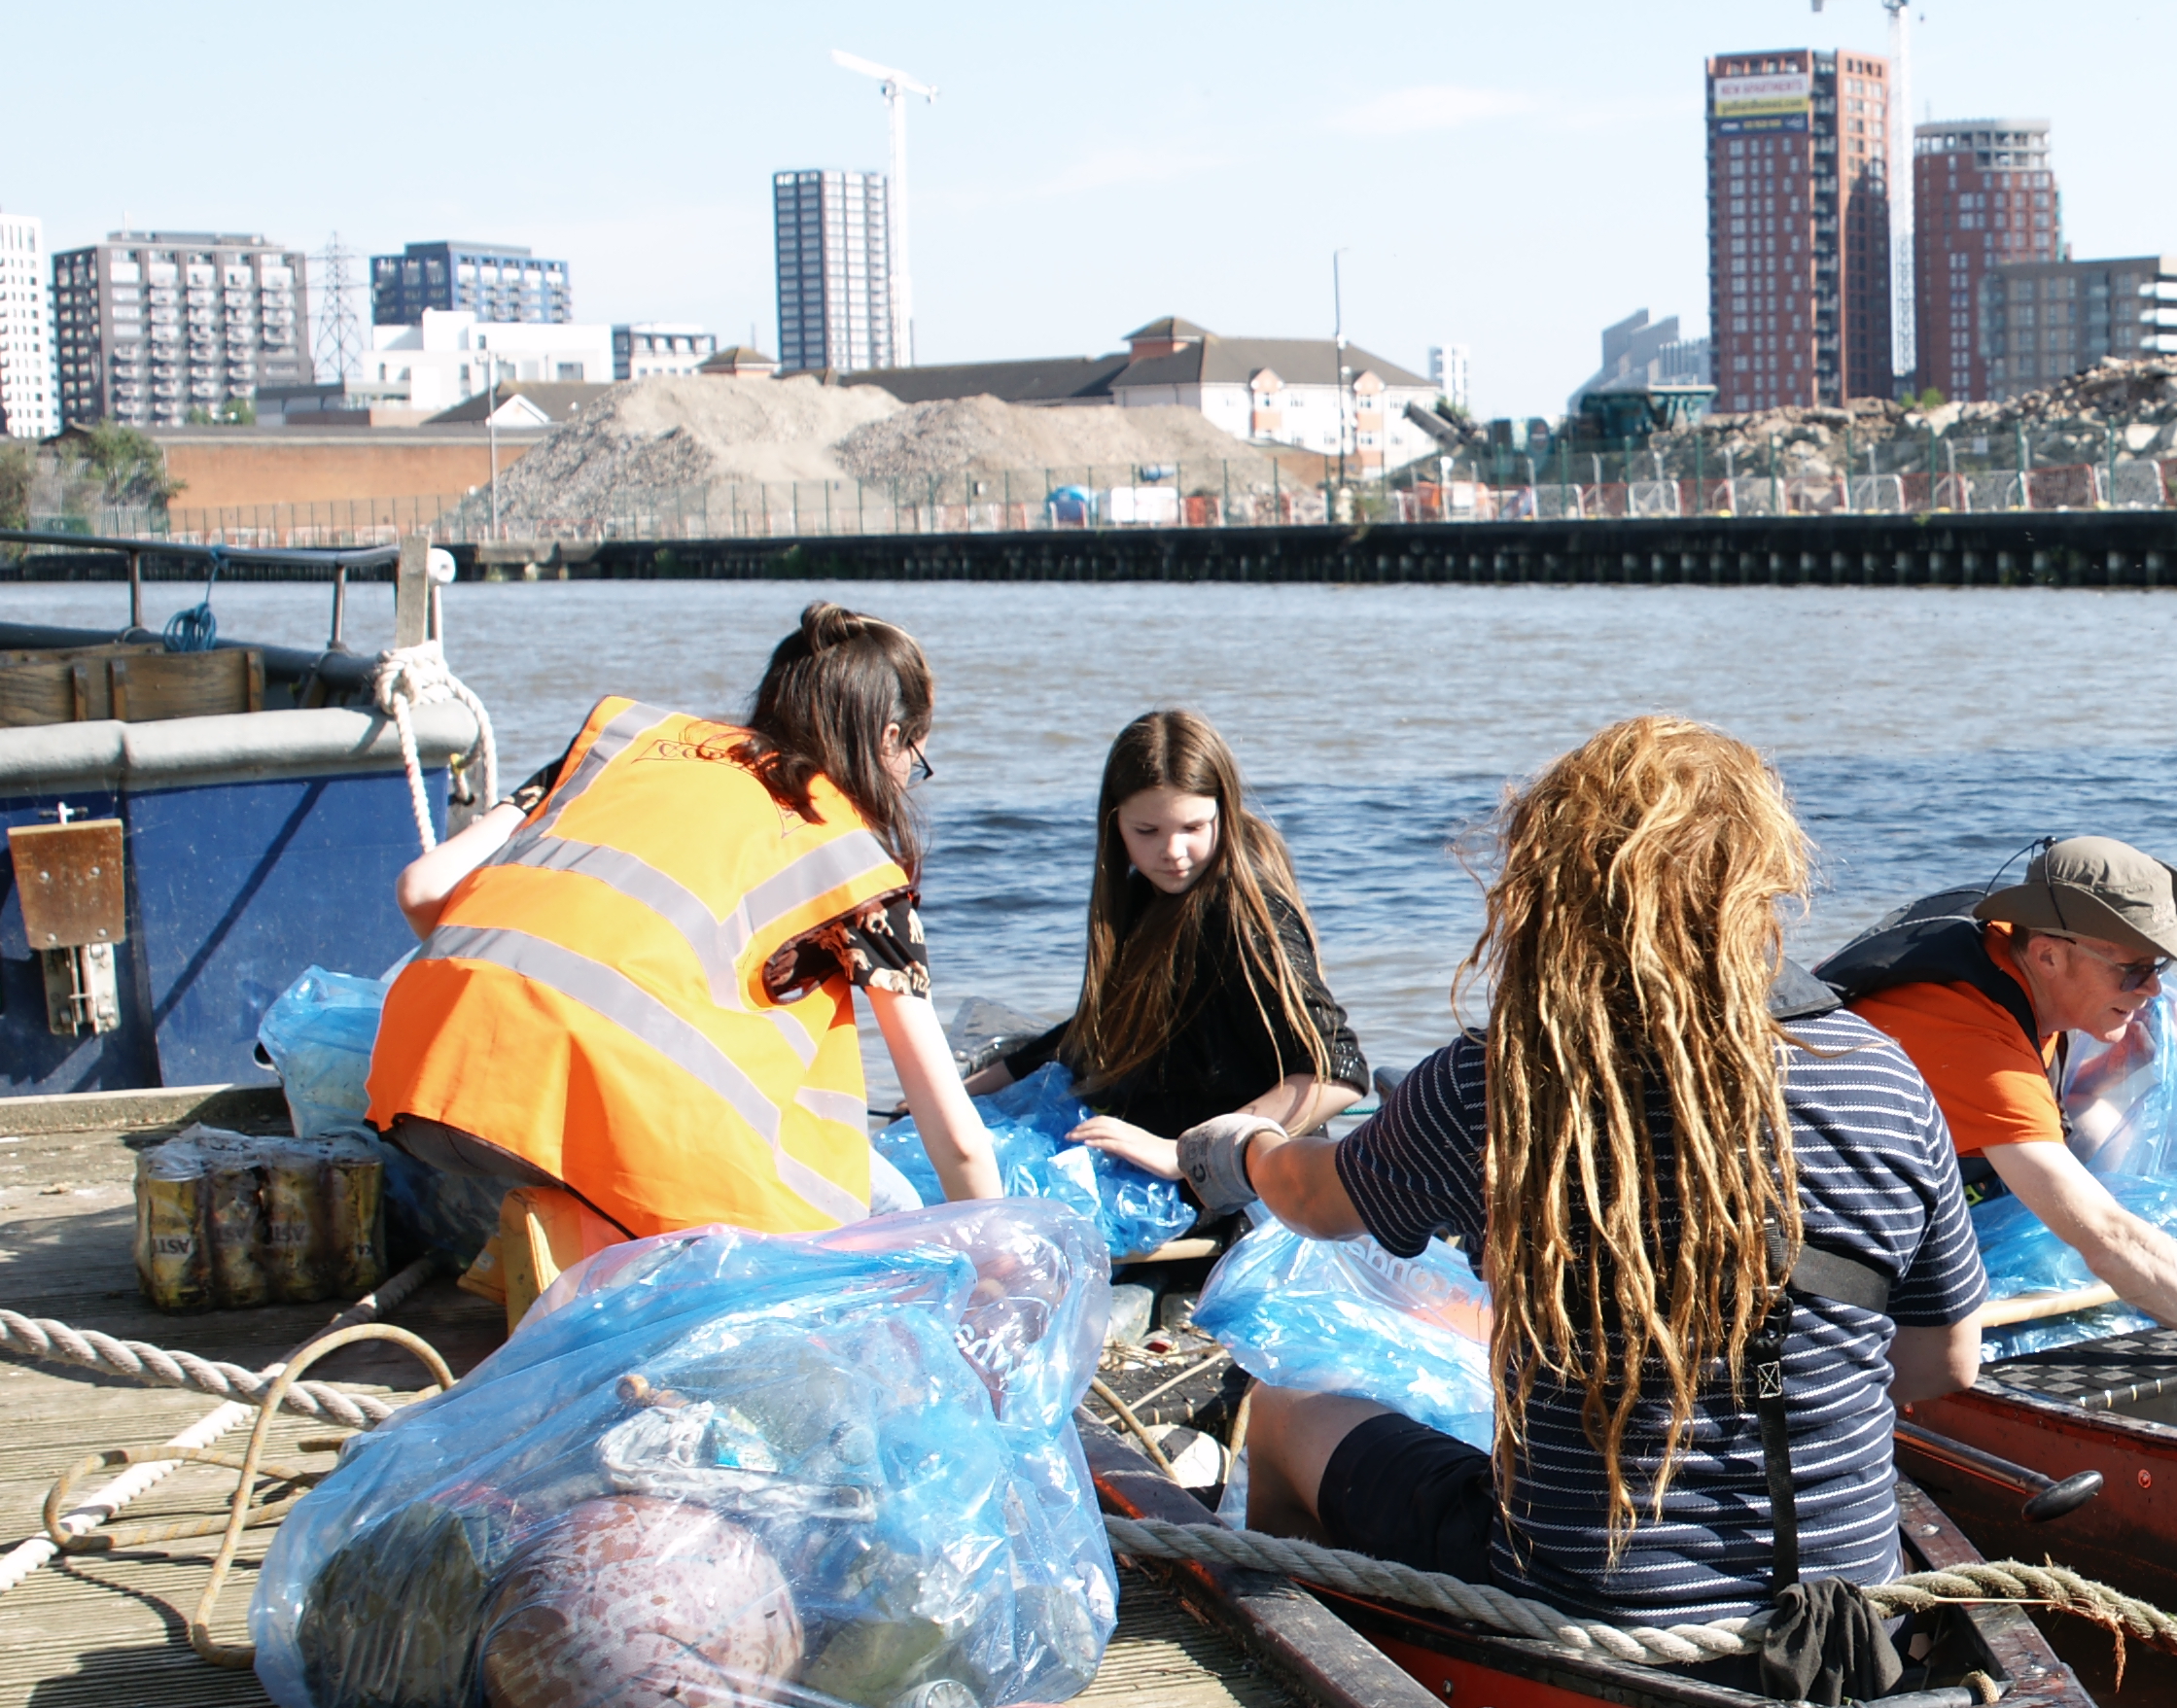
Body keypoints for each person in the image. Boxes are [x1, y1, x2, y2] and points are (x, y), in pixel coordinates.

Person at [1186, 717, 1988, 1649]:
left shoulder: (1501, 1081)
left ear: (1555, 890)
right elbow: (1943, 1364)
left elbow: (1313, 1202)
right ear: (1762, 883)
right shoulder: (1882, 1075)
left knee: (1285, 1415)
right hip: (1845, 1608)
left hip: (1592, 1611)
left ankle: (1334, 1680)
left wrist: (1243, 1147)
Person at [374, 601, 998, 1237]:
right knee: (888, 1212)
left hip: (423, 1087)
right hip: (594, 1127)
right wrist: (1004, 1261)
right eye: (914, 763)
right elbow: (957, 1141)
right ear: (890, 739)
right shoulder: (851, 861)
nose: (905, 782)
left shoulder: (624, 745)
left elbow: (422, 889)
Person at [1817, 836, 2177, 1445]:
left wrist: (2104, 1057)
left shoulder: (2013, 943)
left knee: (2161, 1029)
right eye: (2134, 969)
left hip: (1920, 1156)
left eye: (2158, 966)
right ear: (2049, 956)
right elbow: (2110, 1240)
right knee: (1966, 1351)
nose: (2152, 988)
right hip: (1817, 1227)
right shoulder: (1973, 1040)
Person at [969, 709, 1369, 1178]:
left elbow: (1337, 1072)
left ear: (1224, 811)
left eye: (1193, 828)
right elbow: (1099, 1029)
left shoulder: (1246, 918)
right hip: (1148, 1152)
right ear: (1114, 823)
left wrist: (1184, 1152)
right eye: (1148, 831)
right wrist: (963, 1093)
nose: (1173, 852)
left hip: (1232, 1186)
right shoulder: (1145, 896)